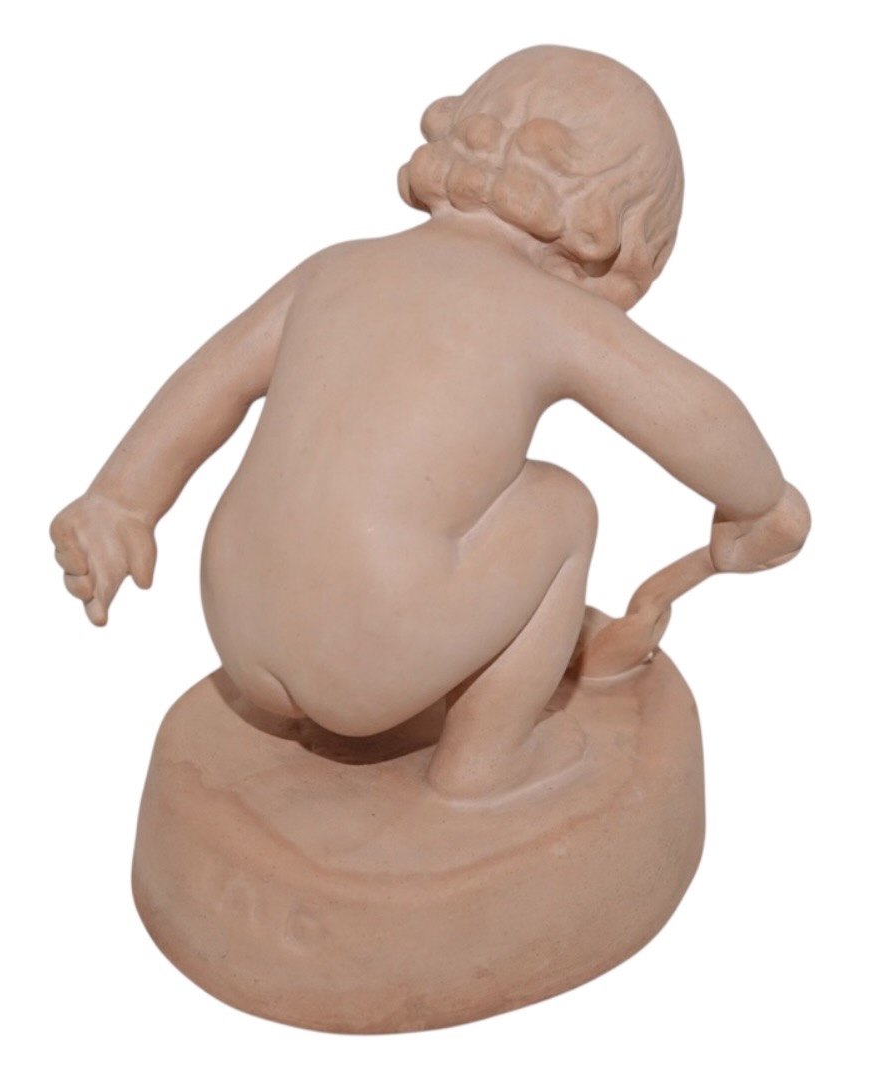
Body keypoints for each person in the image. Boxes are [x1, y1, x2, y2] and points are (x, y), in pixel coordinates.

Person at [51, 45, 809, 799]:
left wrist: (120, 502)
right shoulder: (553, 312)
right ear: (621, 230)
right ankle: (483, 762)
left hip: (233, 617)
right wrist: (765, 504)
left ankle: (335, 707)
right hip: (374, 647)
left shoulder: (335, 266)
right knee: (560, 503)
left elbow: (206, 386)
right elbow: (697, 416)